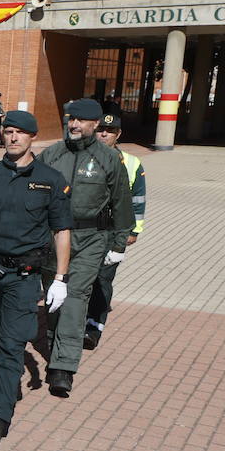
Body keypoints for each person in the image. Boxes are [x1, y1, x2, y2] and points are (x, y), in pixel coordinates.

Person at [0, 110, 73, 447]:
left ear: (32, 137)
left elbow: (62, 230)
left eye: (19, 133)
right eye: (8, 131)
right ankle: (2, 382)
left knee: (12, 344)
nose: (12, 137)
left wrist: (60, 277)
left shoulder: (51, 179)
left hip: (25, 276)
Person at [38, 98, 134, 397]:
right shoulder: (51, 154)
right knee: (54, 300)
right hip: (53, 239)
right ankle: (56, 348)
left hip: (91, 239)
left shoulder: (109, 160)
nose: (74, 125)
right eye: (71, 120)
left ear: (95, 125)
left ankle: (63, 368)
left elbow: (121, 204)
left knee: (76, 297)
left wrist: (119, 244)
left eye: (80, 121)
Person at [85, 110, 146, 350]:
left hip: (112, 232)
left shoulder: (131, 163)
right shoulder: (83, 158)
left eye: (109, 131)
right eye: (101, 130)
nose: (104, 134)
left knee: (103, 279)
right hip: (84, 231)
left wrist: (134, 231)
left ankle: (93, 326)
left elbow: (138, 199)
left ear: (118, 134)